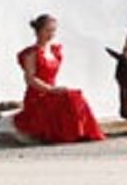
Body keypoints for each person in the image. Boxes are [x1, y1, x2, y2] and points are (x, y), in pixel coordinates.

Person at [13, 13, 106, 143]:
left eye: (53, 31)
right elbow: (30, 79)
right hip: (37, 96)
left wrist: (54, 90)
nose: (51, 34)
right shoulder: (31, 53)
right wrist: (51, 90)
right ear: (38, 31)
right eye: (48, 30)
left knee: (75, 96)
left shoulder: (54, 51)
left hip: (51, 92)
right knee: (69, 96)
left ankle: (82, 132)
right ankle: (70, 134)